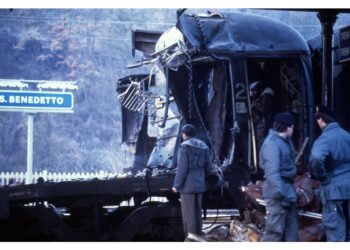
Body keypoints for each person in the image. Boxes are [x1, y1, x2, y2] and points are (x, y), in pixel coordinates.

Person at [309, 105, 350, 241]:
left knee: (336, 235)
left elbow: (316, 157)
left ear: (321, 120)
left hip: (333, 191)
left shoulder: (325, 138)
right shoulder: (346, 135)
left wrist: (322, 177)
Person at [259, 112, 298, 241]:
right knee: (274, 233)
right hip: (278, 195)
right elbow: (272, 172)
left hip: (287, 192)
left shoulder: (285, 142)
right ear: (287, 127)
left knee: (291, 234)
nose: (293, 130)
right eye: (292, 127)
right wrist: (279, 194)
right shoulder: (272, 144)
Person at [172, 123, 215, 238]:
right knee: (197, 212)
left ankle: (191, 239)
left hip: (187, 186)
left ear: (184, 134)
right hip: (199, 184)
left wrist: (176, 185)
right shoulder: (204, 146)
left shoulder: (184, 147)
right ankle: (199, 235)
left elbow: (182, 169)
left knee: (188, 215)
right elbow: (209, 167)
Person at [250, 80, 275, 148]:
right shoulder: (263, 95)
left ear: (260, 89)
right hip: (266, 122)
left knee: (262, 139)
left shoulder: (266, 96)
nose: (254, 93)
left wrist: (255, 106)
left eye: (254, 90)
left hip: (266, 122)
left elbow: (264, 110)